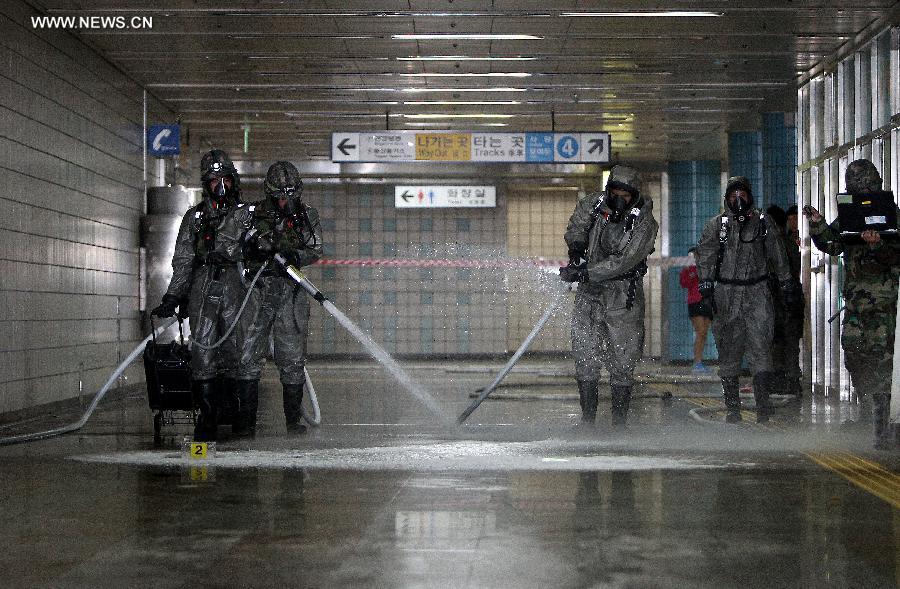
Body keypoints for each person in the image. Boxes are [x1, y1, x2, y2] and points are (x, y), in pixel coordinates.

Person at [216, 161, 323, 437]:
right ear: (270, 193)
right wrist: (248, 246)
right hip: (255, 292)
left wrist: (296, 256)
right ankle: (246, 423)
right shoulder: (248, 216)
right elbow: (223, 245)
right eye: (281, 196)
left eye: (292, 195)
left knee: (292, 357)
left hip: (290, 294)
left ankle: (292, 423)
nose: (287, 202)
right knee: (248, 357)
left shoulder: (306, 215)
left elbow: (316, 247)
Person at [804, 159, 899, 450]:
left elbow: (898, 256)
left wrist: (878, 245)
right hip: (856, 304)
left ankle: (881, 428)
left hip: (883, 305)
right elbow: (832, 244)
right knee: (854, 357)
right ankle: (866, 411)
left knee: (882, 364)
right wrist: (818, 225)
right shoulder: (849, 215)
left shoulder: (891, 214)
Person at [151, 149, 243, 441]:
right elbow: (183, 259)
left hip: (238, 287)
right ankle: (207, 417)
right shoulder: (195, 218)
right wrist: (173, 296)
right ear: (206, 184)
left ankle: (237, 414)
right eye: (214, 181)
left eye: (225, 179)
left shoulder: (246, 216)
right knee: (203, 351)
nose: (221, 187)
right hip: (203, 288)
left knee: (237, 352)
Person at [560, 164, 659, 426]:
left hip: (623, 297)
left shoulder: (644, 223)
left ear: (634, 195)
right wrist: (577, 249)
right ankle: (588, 419)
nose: (618, 200)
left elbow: (625, 260)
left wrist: (586, 273)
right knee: (585, 354)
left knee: (622, 360)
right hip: (589, 296)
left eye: (624, 195)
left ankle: (619, 421)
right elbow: (577, 225)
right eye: (614, 192)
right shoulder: (594, 206)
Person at [694, 177, 796, 423]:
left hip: (757, 292)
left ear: (749, 196)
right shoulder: (716, 226)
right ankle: (733, 409)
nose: (737, 199)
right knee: (728, 351)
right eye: (733, 195)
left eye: (742, 194)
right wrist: (706, 288)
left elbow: (777, 254)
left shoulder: (763, 223)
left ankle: (762, 406)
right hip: (726, 294)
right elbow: (705, 256)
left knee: (761, 348)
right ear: (726, 198)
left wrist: (786, 283)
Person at [766, 204, 804, 397]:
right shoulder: (786, 241)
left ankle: (783, 380)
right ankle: (790, 381)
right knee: (787, 342)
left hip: (782, 300)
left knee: (780, 342)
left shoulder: (780, 243)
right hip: (787, 300)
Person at [679, 247, 713, 373]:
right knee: (700, 331)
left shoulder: (705, 268)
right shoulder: (688, 270)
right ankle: (697, 362)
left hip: (706, 301)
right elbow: (684, 283)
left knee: (704, 333)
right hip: (694, 302)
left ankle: (699, 361)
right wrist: (690, 272)